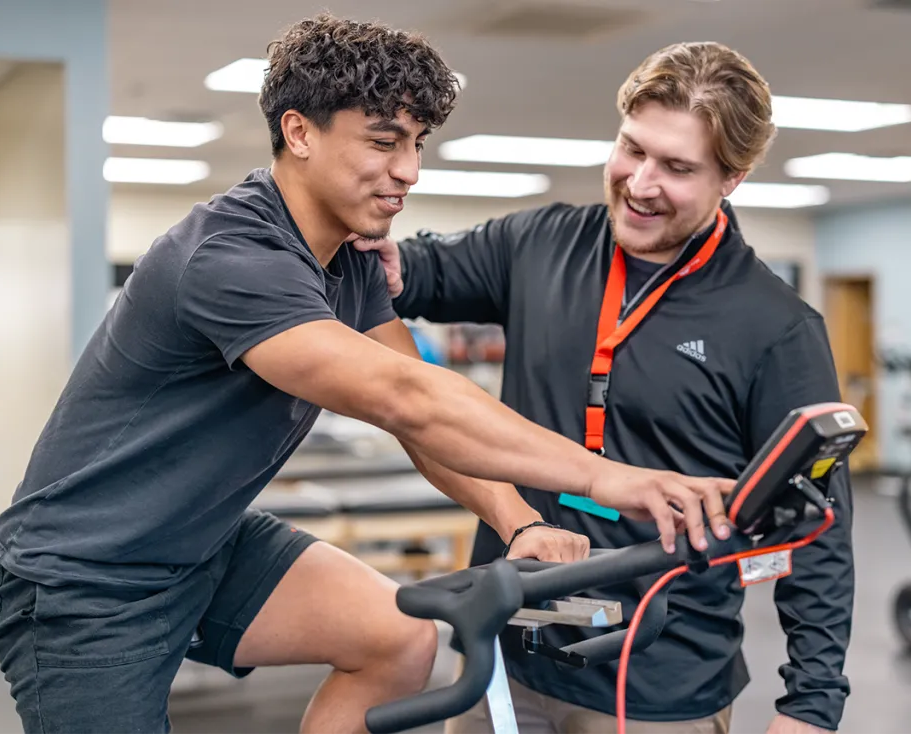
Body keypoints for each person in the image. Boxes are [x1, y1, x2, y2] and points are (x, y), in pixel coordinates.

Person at [0, 16, 736, 734]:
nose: (407, 170)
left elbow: (412, 408)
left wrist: (521, 521)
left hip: (202, 545)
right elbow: (409, 399)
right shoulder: (229, 255)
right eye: (383, 142)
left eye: (415, 143)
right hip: (83, 583)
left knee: (400, 635)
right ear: (299, 131)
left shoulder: (348, 260)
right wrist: (610, 481)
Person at [358, 41, 855, 734]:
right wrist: (365, 245)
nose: (641, 182)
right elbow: (416, 272)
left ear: (732, 178)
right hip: (505, 660)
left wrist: (811, 704)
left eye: (677, 168)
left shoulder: (776, 326)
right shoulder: (541, 242)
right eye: (632, 149)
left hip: (657, 680)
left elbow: (818, 527)